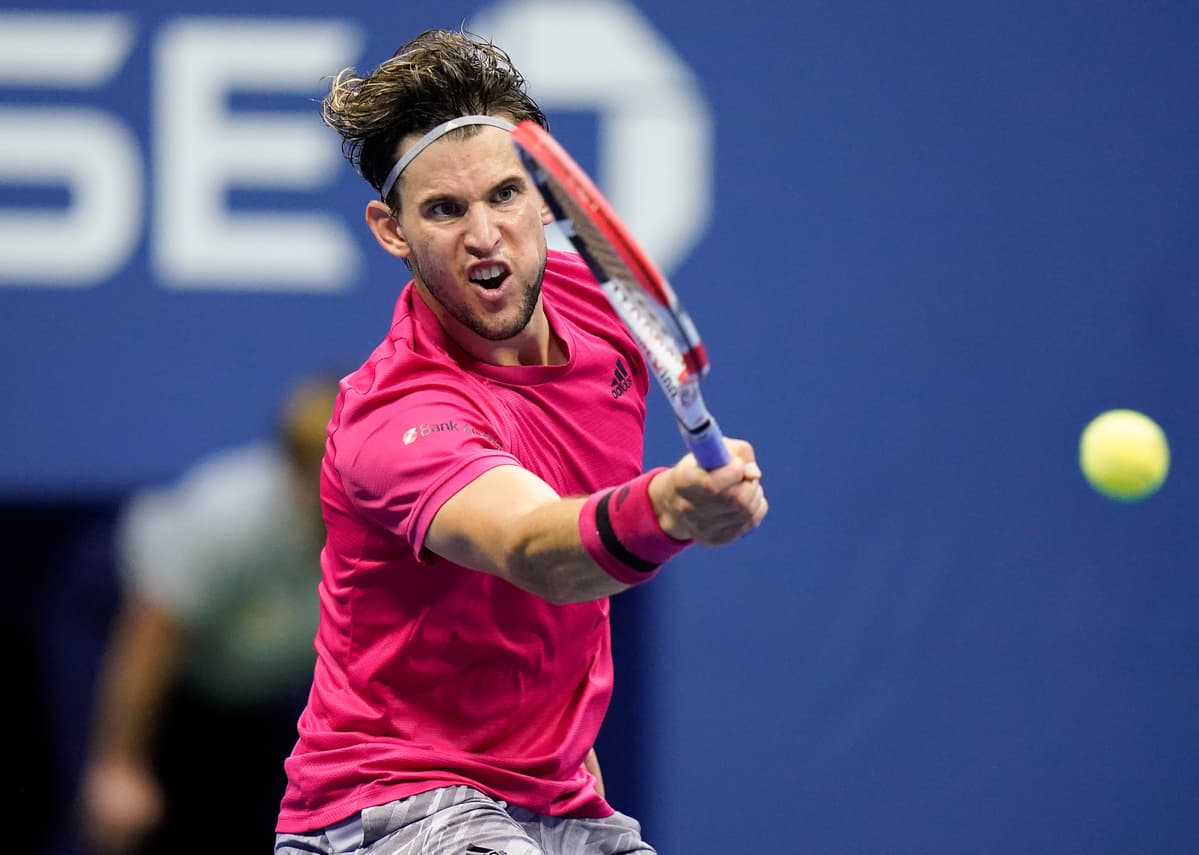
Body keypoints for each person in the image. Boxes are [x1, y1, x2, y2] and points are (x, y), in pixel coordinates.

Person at [274, 28, 768, 855]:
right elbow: (534, 548)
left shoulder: (608, 315)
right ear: (391, 230)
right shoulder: (393, 414)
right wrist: (671, 506)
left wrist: (562, 761)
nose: (485, 235)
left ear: (542, 195)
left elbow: (549, 627)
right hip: (386, 803)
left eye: (504, 194)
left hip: (553, 797)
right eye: (444, 209)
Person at [76, 377, 336, 855]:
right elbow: (152, 635)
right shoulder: (228, 516)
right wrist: (118, 766)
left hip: (238, 681)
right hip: (120, 626)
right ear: (298, 467)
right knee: (112, 815)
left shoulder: (399, 527)